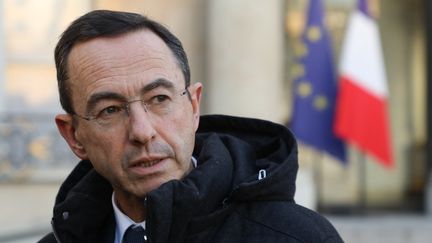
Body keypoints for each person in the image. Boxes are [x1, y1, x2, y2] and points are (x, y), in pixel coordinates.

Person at [39, 9, 343, 243]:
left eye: (159, 98)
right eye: (111, 110)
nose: (143, 131)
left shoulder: (299, 237)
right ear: (74, 135)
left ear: (194, 106)